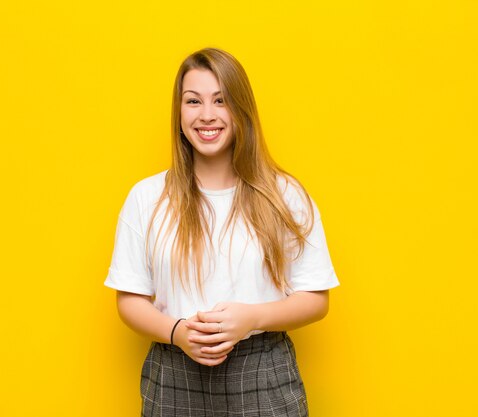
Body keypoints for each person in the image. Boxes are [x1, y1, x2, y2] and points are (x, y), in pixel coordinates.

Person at [104, 47, 339, 416]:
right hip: (173, 372)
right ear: (179, 113)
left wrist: (253, 318)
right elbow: (129, 300)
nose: (207, 115)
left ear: (241, 109)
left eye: (221, 100)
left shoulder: (285, 195)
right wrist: (177, 332)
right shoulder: (147, 197)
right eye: (193, 101)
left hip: (262, 373)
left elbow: (316, 298)